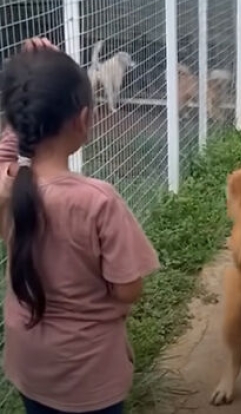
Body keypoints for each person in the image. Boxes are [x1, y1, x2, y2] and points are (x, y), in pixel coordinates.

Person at [0, 37, 160, 414]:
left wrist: (26, 87)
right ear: (84, 120)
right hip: (89, 377)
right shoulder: (97, 201)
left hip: (30, 367)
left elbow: (9, 148)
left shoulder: (9, 187)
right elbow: (127, 290)